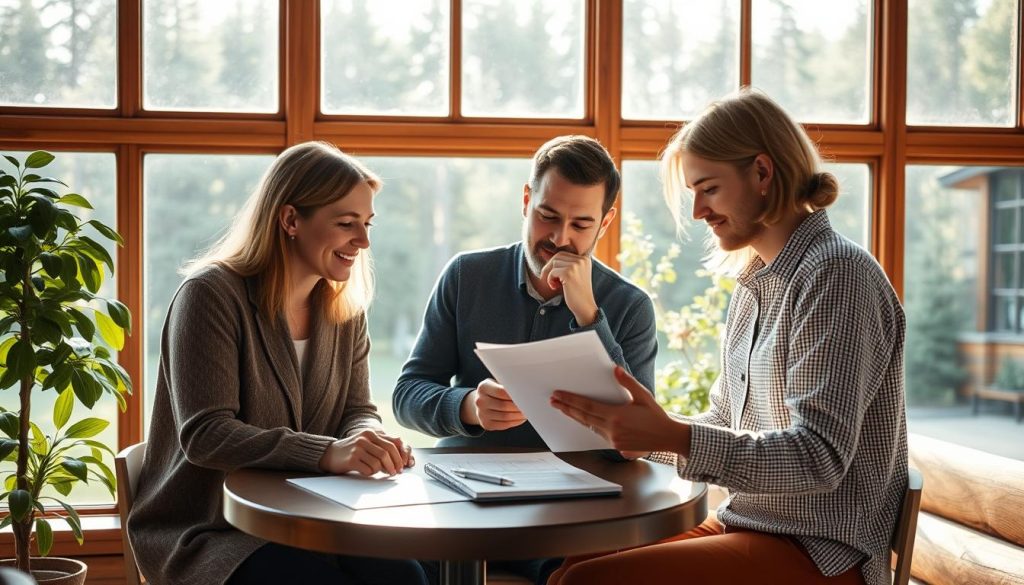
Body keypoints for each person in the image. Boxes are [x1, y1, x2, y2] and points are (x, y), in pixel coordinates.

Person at [549, 89, 907, 585]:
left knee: (587, 582)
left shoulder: (838, 276)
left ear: (762, 173)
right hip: (756, 527)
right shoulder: (756, 283)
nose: (698, 211)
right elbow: (724, 420)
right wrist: (635, 431)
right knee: (573, 566)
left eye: (709, 188)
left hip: (823, 551)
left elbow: (819, 458)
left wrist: (670, 435)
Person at [128, 142, 429, 585]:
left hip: (317, 519)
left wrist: (364, 436)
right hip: (215, 530)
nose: (364, 242)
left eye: (367, 224)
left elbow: (356, 407)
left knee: (407, 577)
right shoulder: (210, 295)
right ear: (290, 220)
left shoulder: (344, 310)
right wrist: (327, 452)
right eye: (347, 224)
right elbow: (206, 435)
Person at [392, 135, 658, 584]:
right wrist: (467, 407)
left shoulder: (629, 307)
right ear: (525, 199)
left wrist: (589, 315)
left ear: (605, 223)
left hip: (567, 511)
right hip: (462, 500)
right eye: (547, 216)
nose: (560, 239)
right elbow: (407, 395)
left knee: (580, 576)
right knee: (393, 572)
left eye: (580, 224)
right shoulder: (466, 276)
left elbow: (637, 441)